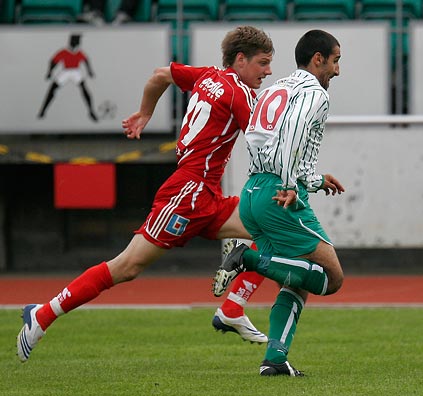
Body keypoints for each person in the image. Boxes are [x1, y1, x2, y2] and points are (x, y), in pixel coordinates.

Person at [17, 25, 274, 363]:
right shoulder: (239, 94)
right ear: (241, 60)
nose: (269, 71)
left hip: (205, 193)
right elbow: (265, 143)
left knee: (273, 227)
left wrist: (145, 113)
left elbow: (159, 75)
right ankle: (43, 315)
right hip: (187, 194)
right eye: (263, 63)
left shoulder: (207, 76)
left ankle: (233, 307)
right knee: (126, 267)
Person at [211, 29, 345, 377]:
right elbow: (295, 133)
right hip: (278, 192)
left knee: (297, 280)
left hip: (254, 191)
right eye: (335, 61)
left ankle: (274, 359)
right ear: (318, 59)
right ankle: (248, 258)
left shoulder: (274, 89)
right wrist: (288, 184)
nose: (337, 70)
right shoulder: (314, 93)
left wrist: (313, 180)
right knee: (331, 277)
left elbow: (258, 139)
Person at [38, 33, 98, 122]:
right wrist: (49, 72)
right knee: (52, 89)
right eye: (77, 40)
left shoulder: (79, 52)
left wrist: (90, 71)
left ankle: (91, 111)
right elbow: (53, 61)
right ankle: (43, 110)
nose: (79, 42)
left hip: (75, 71)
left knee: (84, 90)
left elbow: (86, 60)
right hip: (66, 71)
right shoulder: (64, 51)